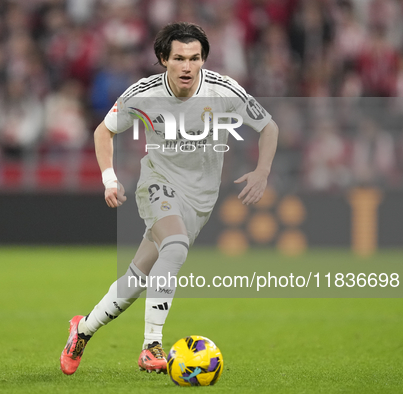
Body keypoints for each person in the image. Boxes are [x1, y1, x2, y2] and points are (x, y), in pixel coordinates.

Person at [60, 22, 279, 375]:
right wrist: (109, 178)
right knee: (174, 246)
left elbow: (268, 127)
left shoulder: (223, 91)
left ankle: (82, 329)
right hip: (158, 184)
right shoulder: (142, 94)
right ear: (164, 59)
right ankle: (151, 346)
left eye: (195, 58)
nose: (187, 66)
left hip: (200, 199)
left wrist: (262, 171)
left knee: (137, 278)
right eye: (179, 58)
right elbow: (104, 131)